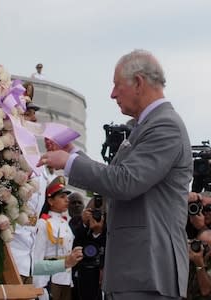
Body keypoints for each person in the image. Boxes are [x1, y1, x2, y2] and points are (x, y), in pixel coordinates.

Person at [37, 49, 192, 300]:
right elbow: (116, 176)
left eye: (117, 86)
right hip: (136, 270)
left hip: (148, 271)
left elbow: (125, 182)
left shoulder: (166, 126)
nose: (112, 94)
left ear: (139, 82)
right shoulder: (146, 126)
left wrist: (70, 163)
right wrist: (73, 154)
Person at [9, 98, 49, 284]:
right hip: (9, 248)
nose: (34, 118)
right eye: (28, 113)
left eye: (34, 114)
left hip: (28, 253)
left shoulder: (35, 154)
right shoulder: (7, 150)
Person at [34, 176, 75, 300]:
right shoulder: (44, 223)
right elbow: (38, 256)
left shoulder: (65, 222)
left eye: (66, 197)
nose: (67, 200)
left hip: (66, 278)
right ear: (50, 201)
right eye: (62, 197)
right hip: (51, 278)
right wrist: (39, 287)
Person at [72, 195, 107, 300]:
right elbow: (72, 242)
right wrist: (83, 222)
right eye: (92, 214)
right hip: (81, 282)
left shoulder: (109, 238)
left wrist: (101, 230)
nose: (95, 217)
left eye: (99, 214)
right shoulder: (82, 232)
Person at [187, 229, 211, 299]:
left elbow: (205, 290)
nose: (201, 248)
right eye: (200, 244)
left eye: (206, 246)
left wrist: (199, 264)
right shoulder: (189, 255)